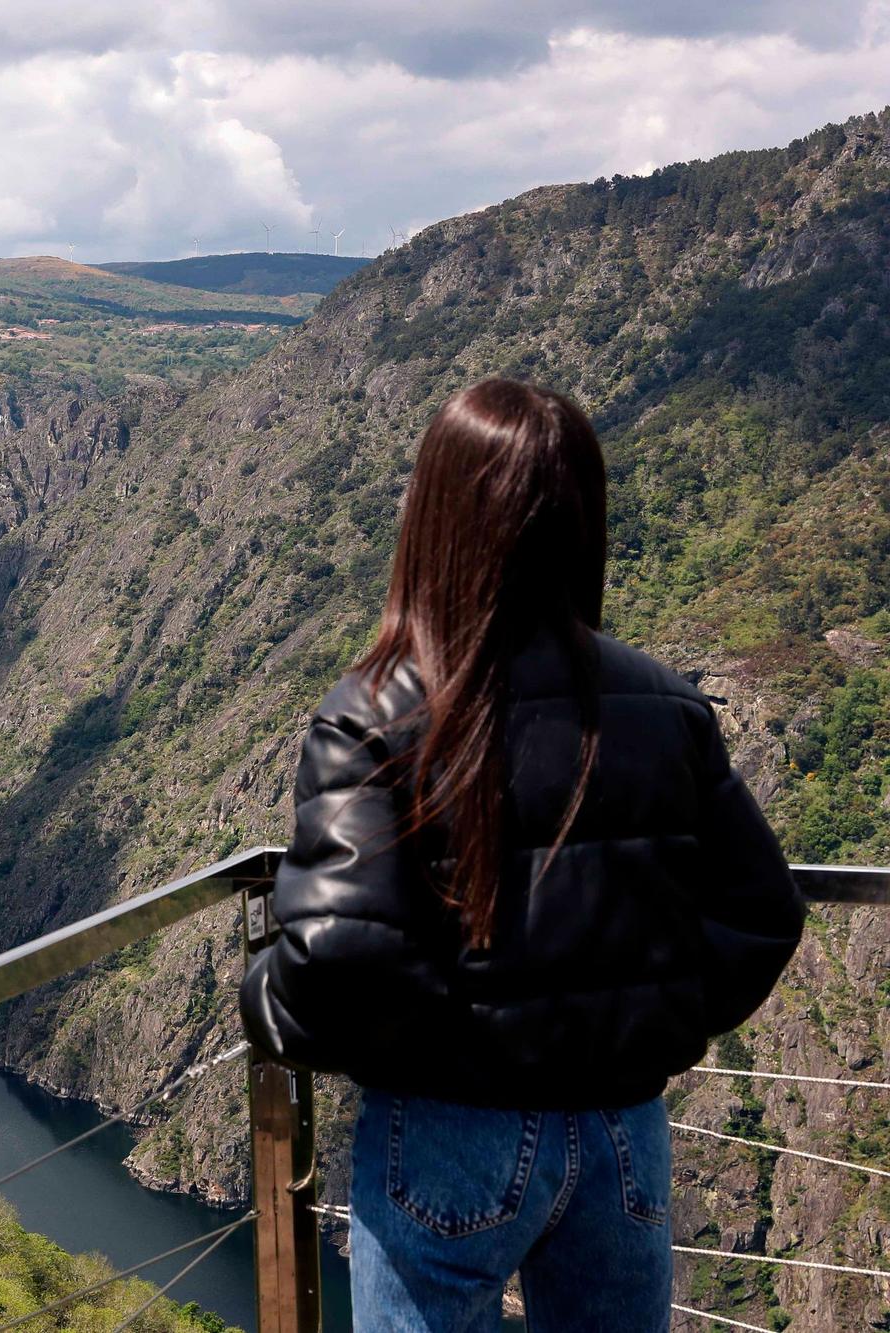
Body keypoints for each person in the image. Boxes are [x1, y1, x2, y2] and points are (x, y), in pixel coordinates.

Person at [238, 378, 805, 1331]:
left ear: (436, 517)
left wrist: (266, 1001)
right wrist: (652, 1022)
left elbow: (336, 952)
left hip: (450, 1131)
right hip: (624, 1128)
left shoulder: (379, 713)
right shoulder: (663, 704)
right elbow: (763, 910)